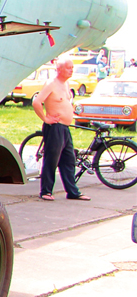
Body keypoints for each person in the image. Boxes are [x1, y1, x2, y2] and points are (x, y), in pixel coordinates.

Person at [32, 59, 90, 202]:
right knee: (52, 159)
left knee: (69, 159)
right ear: (59, 69)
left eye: (72, 68)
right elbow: (36, 102)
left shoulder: (66, 84)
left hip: (65, 128)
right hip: (55, 127)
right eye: (68, 68)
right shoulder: (51, 83)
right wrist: (45, 118)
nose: (71, 70)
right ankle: (46, 190)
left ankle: (72, 191)